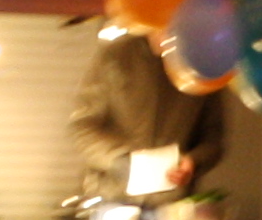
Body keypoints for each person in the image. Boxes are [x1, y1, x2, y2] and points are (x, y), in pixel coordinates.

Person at [70, 29, 226, 197]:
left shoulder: (202, 66)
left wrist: (193, 160)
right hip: (109, 196)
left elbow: (212, 137)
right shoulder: (115, 56)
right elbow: (83, 127)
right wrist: (117, 160)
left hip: (171, 203)